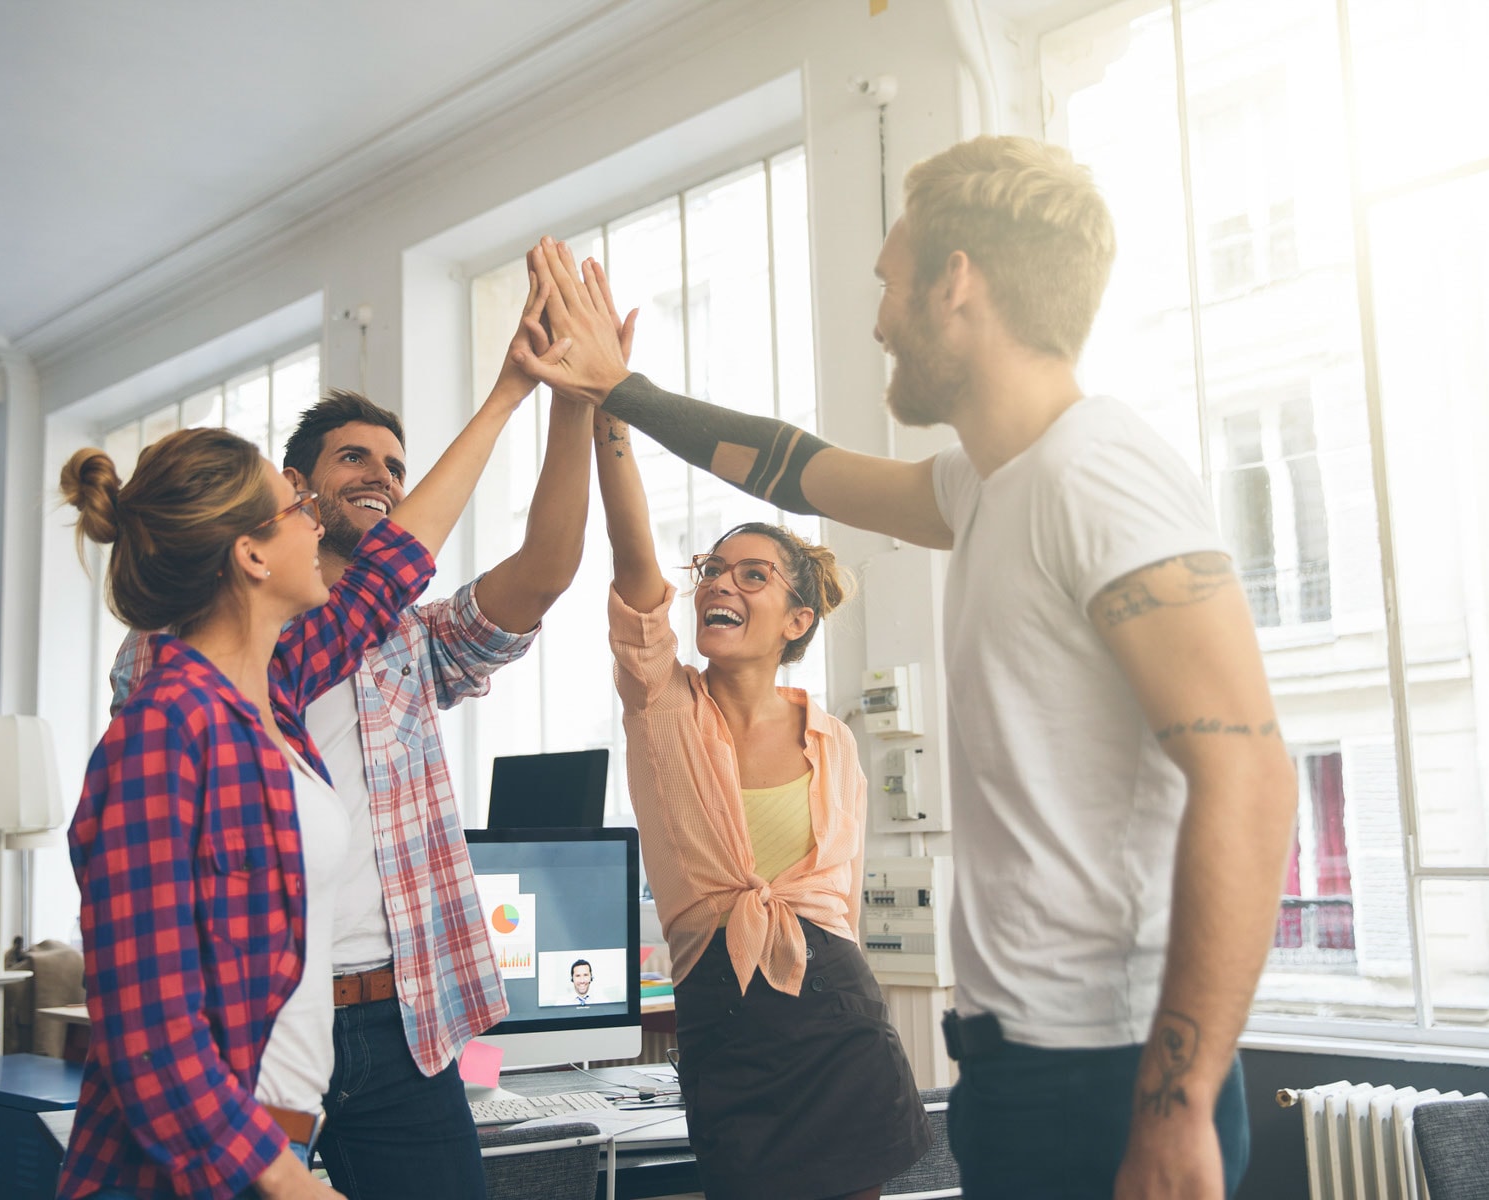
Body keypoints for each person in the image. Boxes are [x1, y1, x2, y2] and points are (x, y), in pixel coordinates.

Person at [516, 135, 1298, 1200]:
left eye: (889, 286)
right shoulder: (986, 483)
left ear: (956, 282)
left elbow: (1248, 775)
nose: (880, 319)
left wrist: (1178, 1103)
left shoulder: (1098, 472)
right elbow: (795, 467)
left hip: (1111, 1082)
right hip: (1017, 1068)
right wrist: (620, 390)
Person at [59, 289, 564, 1200]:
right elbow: (150, 1034)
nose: (313, 517)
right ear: (252, 555)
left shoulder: (274, 692)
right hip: (204, 1163)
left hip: (312, 1095)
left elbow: (396, 565)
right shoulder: (163, 728)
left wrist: (513, 389)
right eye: (293, 504)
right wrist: (287, 1182)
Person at [584, 267, 929, 1199]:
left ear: (797, 619)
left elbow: (837, 911)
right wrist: (603, 408)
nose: (720, 585)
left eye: (753, 576)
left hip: (841, 1022)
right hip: (724, 1024)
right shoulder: (664, 705)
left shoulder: (833, 745)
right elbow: (633, 563)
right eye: (714, 570)